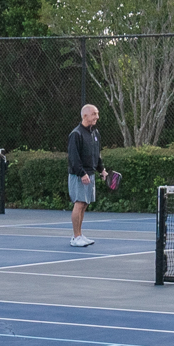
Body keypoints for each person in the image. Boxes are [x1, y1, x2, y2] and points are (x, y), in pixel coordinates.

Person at [66, 104, 103, 248]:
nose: (97, 117)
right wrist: (82, 173)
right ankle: (75, 237)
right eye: (94, 114)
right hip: (79, 175)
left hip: (90, 174)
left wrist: (102, 170)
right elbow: (74, 157)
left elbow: (96, 154)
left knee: (85, 204)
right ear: (85, 116)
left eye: (97, 113)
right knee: (79, 203)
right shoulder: (76, 134)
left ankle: (80, 234)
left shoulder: (95, 133)